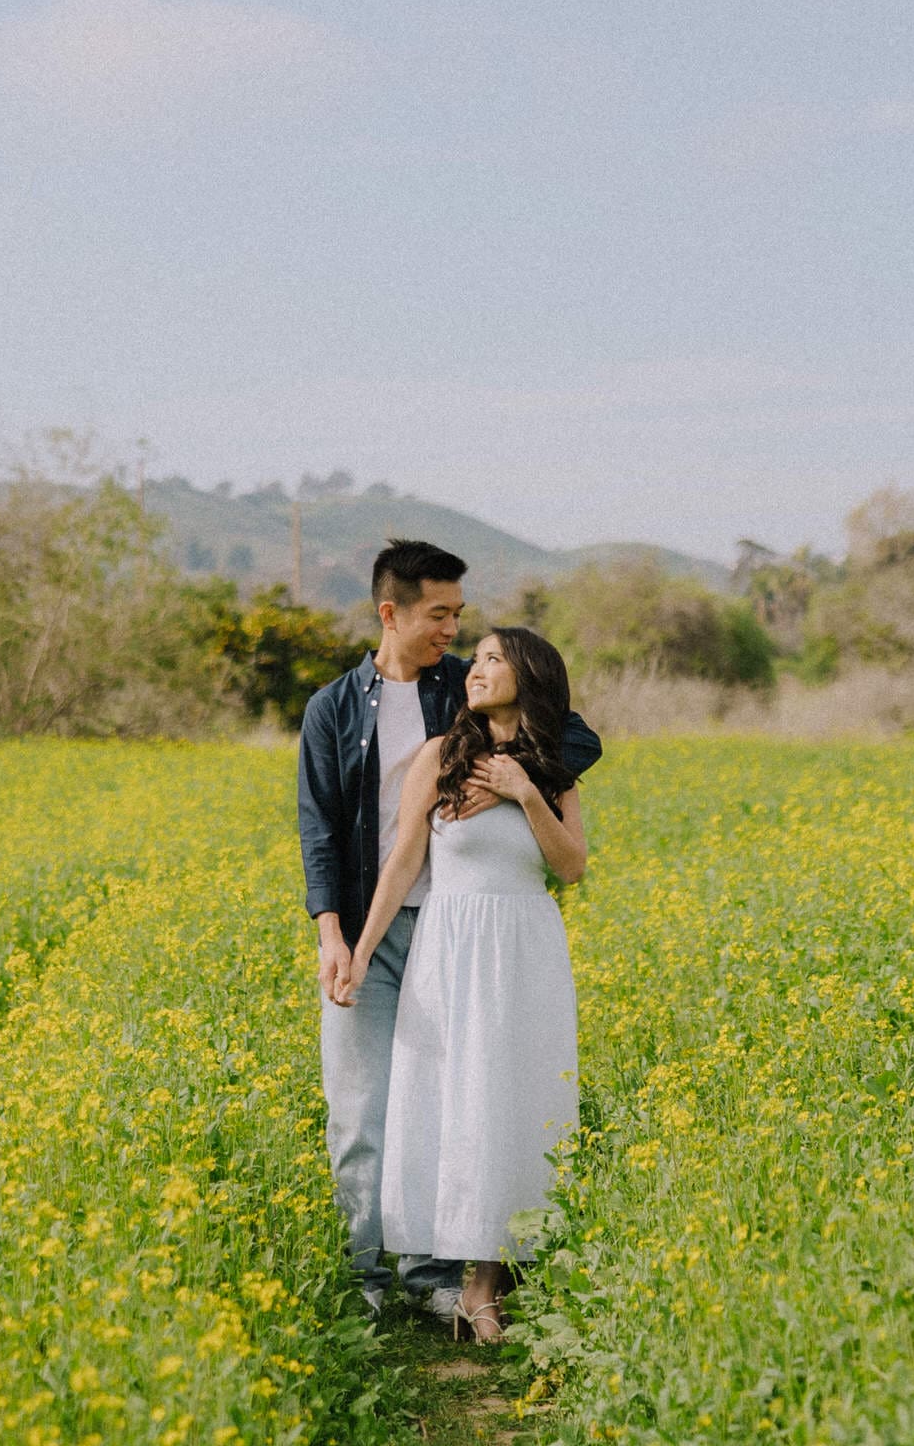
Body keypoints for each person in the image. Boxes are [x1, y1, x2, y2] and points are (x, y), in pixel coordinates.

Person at [298, 541, 602, 1319]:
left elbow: (571, 738)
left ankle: (438, 1278)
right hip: (377, 922)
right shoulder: (333, 708)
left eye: (460, 617)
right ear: (391, 611)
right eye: (441, 615)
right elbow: (323, 834)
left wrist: (508, 788)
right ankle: (371, 1276)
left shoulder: (461, 691)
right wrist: (337, 939)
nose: (454, 633)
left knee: (457, 1097)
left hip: (454, 927)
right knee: (361, 1108)